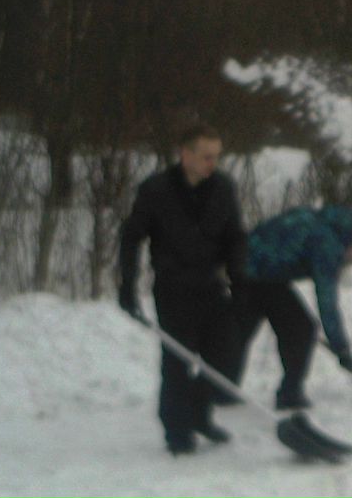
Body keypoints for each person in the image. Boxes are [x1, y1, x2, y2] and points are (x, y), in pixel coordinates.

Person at [117, 123, 247, 455]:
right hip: (173, 288)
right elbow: (132, 237)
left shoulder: (223, 188)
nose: (212, 163)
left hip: (212, 285)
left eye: (216, 157)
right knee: (178, 360)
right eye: (205, 157)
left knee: (226, 356)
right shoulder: (156, 190)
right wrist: (127, 286)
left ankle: (199, 415)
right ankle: (177, 431)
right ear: (185, 154)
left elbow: (235, 237)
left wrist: (240, 278)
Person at [229, 205, 352, 410]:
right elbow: (327, 302)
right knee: (302, 328)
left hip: (245, 266)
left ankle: (218, 389)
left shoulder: (320, 221)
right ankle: (289, 395)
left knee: (238, 331)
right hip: (258, 275)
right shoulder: (328, 243)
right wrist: (342, 349)